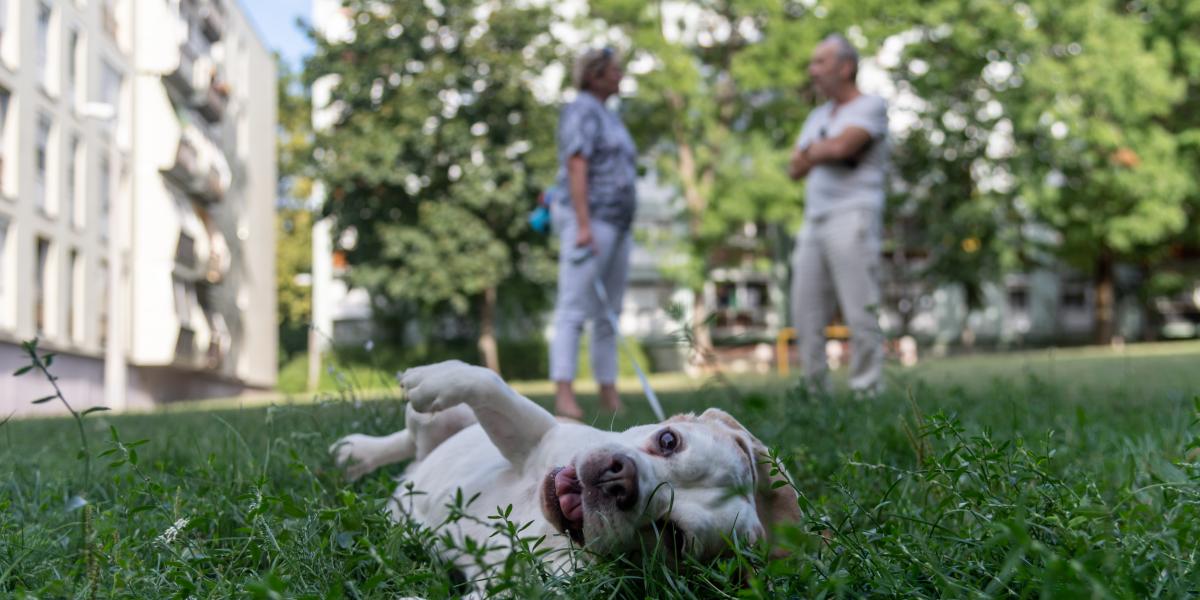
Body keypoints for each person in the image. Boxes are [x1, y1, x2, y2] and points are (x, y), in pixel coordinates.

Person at [787, 34, 890, 395]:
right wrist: (822, 149)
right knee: (805, 312)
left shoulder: (870, 106)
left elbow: (845, 145)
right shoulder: (818, 116)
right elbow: (794, 168)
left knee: (860, 309)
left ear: (845, 67)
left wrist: (817, 149)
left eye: (820, 63)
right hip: (814, 220)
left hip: (853, 215)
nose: (812, 71)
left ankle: (867, 390)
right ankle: (814, 393)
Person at [549, 47, 637, 418]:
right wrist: (583, 225)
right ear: (595, 75)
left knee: (608, 312)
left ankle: (608, 393)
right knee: (573, 307)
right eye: (615, 70)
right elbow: (576, 163)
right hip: (591, 220)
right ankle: (564, 396)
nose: (620, 76)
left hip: (617, 223)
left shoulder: (609, 114)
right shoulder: (582, 108)